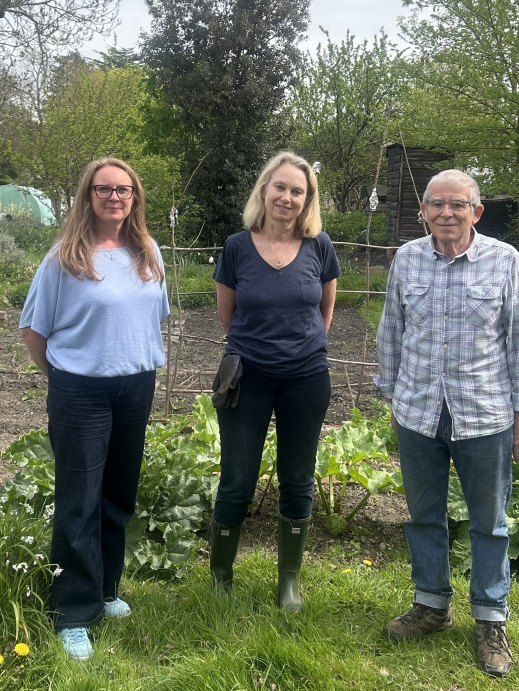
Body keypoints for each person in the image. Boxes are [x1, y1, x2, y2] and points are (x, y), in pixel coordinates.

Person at [375, 169, 519, 678]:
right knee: (423, 516)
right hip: (419, 411)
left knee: (489, 522)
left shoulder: (504, 261)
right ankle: (431, 605)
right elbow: (392, 329)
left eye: (457, 204)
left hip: (486, 413)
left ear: (476, 211)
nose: (446, 213)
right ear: (423, 211)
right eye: (436, 205)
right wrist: (392, 397)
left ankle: (490, 619)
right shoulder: (407, 259)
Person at [19, 157, 169, 661]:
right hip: (80, 391)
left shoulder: (148, 252)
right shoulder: (64, 257)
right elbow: (32, 330)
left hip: (136, 386)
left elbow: (149, 317)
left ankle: (105, 589)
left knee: (118, 495)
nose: (114, 197)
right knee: (79, 498)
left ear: (135, 197)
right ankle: (73, 613)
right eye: (104, 189)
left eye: (123, 189)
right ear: (88, 197)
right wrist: (65, 376)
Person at [209, 151, 340, 612]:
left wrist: (302, 348)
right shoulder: (236, 247)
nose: (287, 197)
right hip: (247, 376)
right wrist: (260, 347)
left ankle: (289, 582)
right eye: (280, 187)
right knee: (237, 479)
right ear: (264, 190)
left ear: (307, 201)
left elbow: (324, 309)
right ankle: (220, 576)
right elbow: (229, 315)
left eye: (297, 191)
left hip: (306, 376)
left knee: (298, 478)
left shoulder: (319, 245)